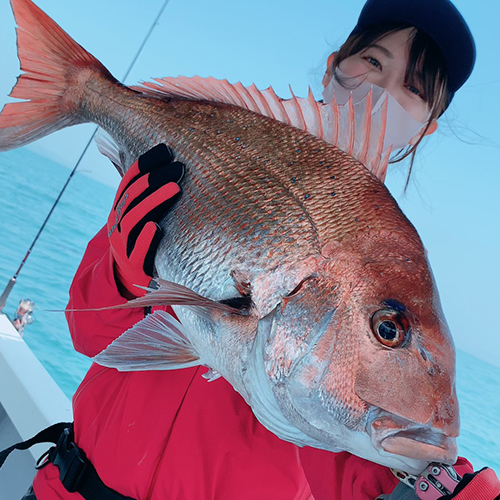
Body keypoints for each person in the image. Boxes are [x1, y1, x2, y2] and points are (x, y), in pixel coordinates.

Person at [24, 0, 500, 499]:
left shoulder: (388, 265)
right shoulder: (223, 172)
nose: (382, 91)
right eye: (375, 62)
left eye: (414, 90)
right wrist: (123, 270)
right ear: (336, 63)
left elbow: (354, 464)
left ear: (427, 126)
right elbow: (87, 331)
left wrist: (429, 482)